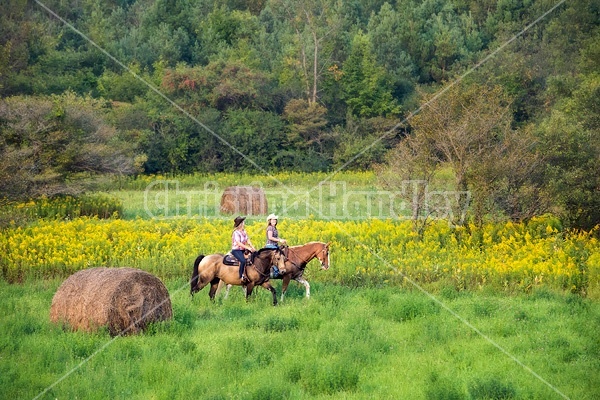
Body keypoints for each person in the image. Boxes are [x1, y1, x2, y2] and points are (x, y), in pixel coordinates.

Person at [231, 216, 255, 282]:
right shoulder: (236, 233)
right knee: (243, 261)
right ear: (240, 224)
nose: (244, 223)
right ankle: (241, 275)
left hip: (243, 249)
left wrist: (252, 246)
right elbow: (239, 243)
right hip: (236, 250)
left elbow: (247, 240)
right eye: (243, 222)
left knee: (255, 256)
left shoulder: (244, 231)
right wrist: (248, 248)